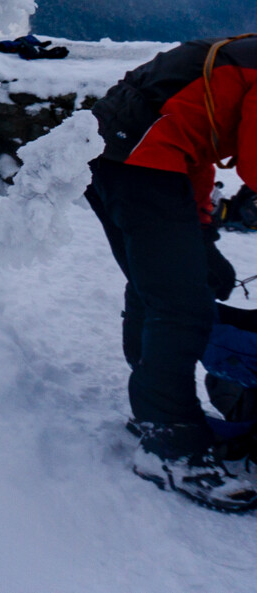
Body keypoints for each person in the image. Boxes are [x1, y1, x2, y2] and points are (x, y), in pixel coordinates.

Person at [88, 36, 257, 512]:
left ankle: (154, 411)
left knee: (172, 285)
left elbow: (191, 137)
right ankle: (170, 448)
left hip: (117, 154)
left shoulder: (242, 57)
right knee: (182, 305)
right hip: (137, 160)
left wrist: (202, 231)